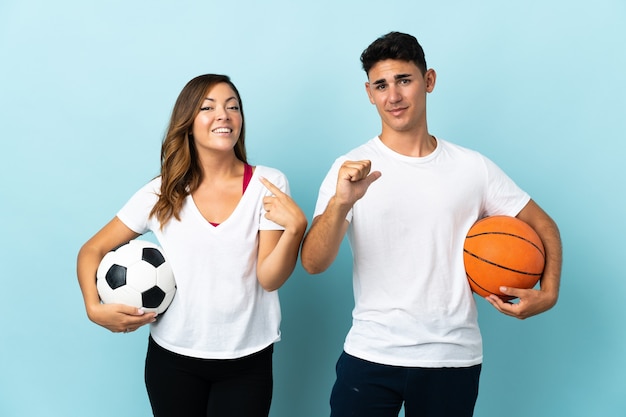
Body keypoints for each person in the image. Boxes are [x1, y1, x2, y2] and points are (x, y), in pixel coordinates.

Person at [300, 32, 562, 417]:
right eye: (381, 85)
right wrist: (341, 204)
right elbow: (313, 263)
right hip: (372, 353)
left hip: (452, 357)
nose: (393, 96)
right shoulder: (350, 169)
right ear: (369, 93)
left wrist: (550, 292)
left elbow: (545, 225)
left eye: (404, 80)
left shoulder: (473, 168)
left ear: (429, 81)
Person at [77, 74, 307, 417]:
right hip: (173, 360)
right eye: (208, 107)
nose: (224, 115)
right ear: (187, 122)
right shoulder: (163, 191)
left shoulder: (268, 184)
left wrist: (296, 230)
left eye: (233, 107)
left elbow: (269, 278)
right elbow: (91, 251)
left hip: (247, 360)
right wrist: (93, 308)